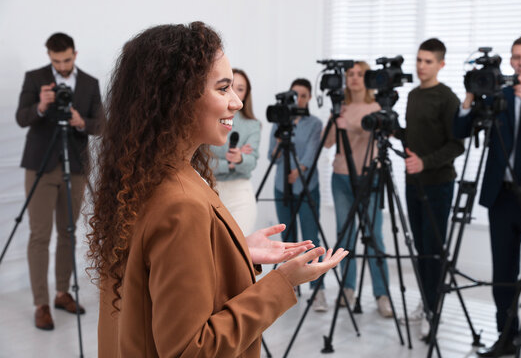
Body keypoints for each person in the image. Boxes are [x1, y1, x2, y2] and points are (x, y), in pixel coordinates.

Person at [87, 22, 348, 358]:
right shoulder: (181, 202)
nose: (237, 103)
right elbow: (192, 350)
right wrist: (283, 281)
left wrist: (236, 250)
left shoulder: (145, 177)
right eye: (223, 88)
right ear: (178, 97)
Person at [455, 35, 521, 358]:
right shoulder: (497, 93)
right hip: (500, 198)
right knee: (503, 275)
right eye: (516, 56)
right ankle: (506, 338)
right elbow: (462, 131)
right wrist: (469, 98)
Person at [15, 32, 104, 330]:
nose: (62, 65)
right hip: (40, 164)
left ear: (75, 55)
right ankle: (41, 303)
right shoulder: (34, 78)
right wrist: (41, 106)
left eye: (66, 59)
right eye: (56, 61)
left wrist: (82, 123)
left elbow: (101, 124)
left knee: (68, 231)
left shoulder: (90, 83)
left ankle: (62, 292)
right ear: (49, 57)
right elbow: (21, 118)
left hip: (75, 166)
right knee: (39, 235)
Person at [401, 38, 463, 339]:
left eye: (428, 61)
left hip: (438, 184)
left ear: (441, 64)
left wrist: (425, 163)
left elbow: (457, 144)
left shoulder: (447, 98)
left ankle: (432, 311)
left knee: (434, 250)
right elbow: (413, 135)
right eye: (419, 60)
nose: (421, 66)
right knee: (420, 249)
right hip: (412, 183)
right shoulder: (412, 95)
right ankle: (425, 302)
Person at [323, 61, 393, 318]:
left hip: (369, 178)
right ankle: (348, 288)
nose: (354, 79)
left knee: (374, 236)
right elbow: (328, 142)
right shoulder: (340, 107)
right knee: (345, 236)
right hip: (340, 179)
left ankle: (382, 294)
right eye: (350, 74)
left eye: (359, 74)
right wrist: (335, 120)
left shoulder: (376, 108)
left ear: (368, 79)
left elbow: (372, 132)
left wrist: (349, 126)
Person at [267, 78, 327, 311]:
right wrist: (278, 144)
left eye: (303, 95)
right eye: (295, 95)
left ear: (309, 97)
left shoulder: (314, 123)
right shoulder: (279, 122)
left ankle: (318, 289)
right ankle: (290, 285)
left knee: (311, 239)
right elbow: (272, 157)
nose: (299, 99)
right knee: (288, 240)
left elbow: (312, 153)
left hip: (306, 186)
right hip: (282, 187)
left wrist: (298, 170)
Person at [210, 68, 260, 235]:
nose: (234, 93)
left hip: (240, 195)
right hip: (211, 191)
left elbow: (250, 163)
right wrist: (232, 163)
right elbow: (203, 162)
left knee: (238, 249)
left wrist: (240, 160)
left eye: (240, 88)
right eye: (228, 87)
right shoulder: (209, 121)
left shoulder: (253, 125)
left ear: (247, 94)